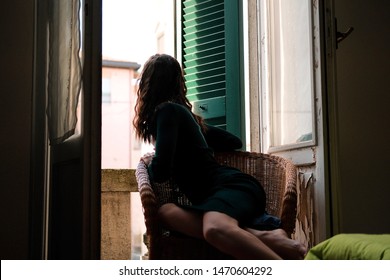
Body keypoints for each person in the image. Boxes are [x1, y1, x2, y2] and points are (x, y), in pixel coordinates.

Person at [133, 53, 306, 259]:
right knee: (165, 212)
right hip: (217, 194)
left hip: (231, 187)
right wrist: (198, 133)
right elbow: (234, 142)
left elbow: (160, 172)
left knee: (213, 229)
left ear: (148, 84)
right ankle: (271, 239)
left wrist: (152, 159)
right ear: (178, 82)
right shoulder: (184, 116)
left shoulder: (167, 111)